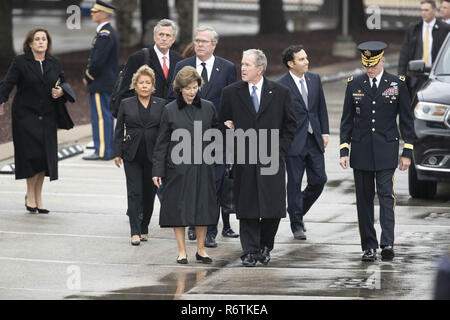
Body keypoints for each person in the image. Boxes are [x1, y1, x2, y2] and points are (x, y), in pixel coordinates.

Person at [339, 41, 415, 262]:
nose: (369, 69)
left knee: (385, 196)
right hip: (361, 151)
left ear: (382, 60)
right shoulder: (354, 84)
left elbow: (407, 121)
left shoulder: (397, 83)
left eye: (373, 64)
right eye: (366, 65)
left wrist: (407, 152)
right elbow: (346, 121)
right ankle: (369, 247)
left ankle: (387, 242)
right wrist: (344, 149)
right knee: (363, 200)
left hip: (386, 150)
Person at [219, 49, 296, 267]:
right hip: (244, 159)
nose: (242, 68)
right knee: (247, 208)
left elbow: (290, 125)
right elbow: (222, 123)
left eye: (247, 65)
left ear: (259, 69)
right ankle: (250, 251)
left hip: (272, 159)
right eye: (241, 64)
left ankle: (265, 246)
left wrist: (280, 150)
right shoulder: (231, 93)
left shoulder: (280, 92)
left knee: (273, 209)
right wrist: (229, 134)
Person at [168, 26, 238, 247]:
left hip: (217, 137)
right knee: (191, 183)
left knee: (214, 184)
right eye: (197, 41)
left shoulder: (227, 68)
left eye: (204, 41)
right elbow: (173, 98)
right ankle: (192, 223)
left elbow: (231, 99)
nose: (199, 45)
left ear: (214, 45)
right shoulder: (182, 66)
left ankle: (209, 230)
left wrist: (230, 123)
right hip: (188, 137)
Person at [152, 66, 218, 264]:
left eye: (195, 86)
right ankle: (182, 251)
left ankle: (201, 249)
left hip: (202, 166)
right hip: (178, 168)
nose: (192, 91)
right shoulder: (169, 110)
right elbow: (161, 142)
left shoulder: (208, 107)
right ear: (179, 88)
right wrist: (157, 170)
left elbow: (216, 135)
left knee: (202, 208)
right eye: (187, 87)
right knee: (177, 210)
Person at [0, 27, 69, 214]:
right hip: (25, 116)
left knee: (43, 158)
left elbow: (63, 82)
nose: (41, 42)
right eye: (37, 39)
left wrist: (62, 90)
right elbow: (7, 83)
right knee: (30, 157)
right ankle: (30, 195)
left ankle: (38, 197)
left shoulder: (54, 62)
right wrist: (1, 100)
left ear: (48, 43)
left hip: (47, 116)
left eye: (44, 39)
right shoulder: (21, 62)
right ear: (30, 43)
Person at [276, 45, 329, 241]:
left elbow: (320, 107)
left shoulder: (314, 79)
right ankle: (296, 224)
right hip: (293, 142)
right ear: (291, 63)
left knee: (319, 180)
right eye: (302, 59)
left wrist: (324, 131)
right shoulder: (281, 85)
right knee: (295, 183)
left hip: (314, 138)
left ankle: (296, 210)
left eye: (306, 58)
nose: (307, 62)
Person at [113, 65, 165, 246]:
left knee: (149, 194)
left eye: (148, 83)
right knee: (134, 193)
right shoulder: (126, 104)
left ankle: (144, 228)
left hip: (153, 156)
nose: (144, 86)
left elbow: (164, 132)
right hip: (131, 155)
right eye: (141, 83)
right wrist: (117, 153)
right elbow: (119, 129)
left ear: (153, 86)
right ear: (135, 86)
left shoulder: (161, 105)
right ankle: (134, 231)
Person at [82, 0, 119, 161]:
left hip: (101, 82)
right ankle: (105, 148)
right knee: (104, 115)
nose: (92, 13)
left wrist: (88, 76)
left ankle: (103, 150)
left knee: (101, 117)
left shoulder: (105, 34)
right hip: (105, 82)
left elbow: (98, 61)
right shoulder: (106, 32)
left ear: (104, 14)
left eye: (95, 11)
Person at [117, 19, 183, 102]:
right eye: (161, 35)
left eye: (168, 35)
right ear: (154, 37)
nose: (164, 38)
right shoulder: (138, 58)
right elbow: (126, 91)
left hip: (170, 113)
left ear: (173, 39)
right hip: (145, 112)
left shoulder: (179, 60)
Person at [398, 0, 450, 97]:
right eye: (421, 10)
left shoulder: (445, 29)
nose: (423, 13)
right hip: (416, 76)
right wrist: (401, 78)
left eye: (426, 10)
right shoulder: (413, 29)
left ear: (434, 11)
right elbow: (404, 56)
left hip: (436, 76)